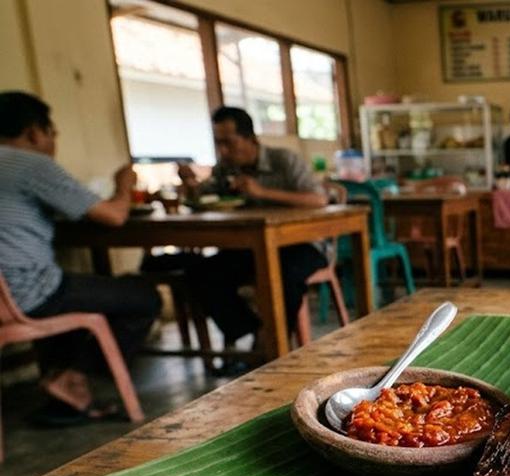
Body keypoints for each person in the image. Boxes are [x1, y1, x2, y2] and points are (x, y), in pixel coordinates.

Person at [0, 91, 162, 424]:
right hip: (25, 293)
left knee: (77, 290)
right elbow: (113, 216)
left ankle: (64, 385)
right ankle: (73, 379)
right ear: (35, 133)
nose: (52, 142)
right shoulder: (30, 164)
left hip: (10, 293)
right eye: (52, 133)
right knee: (144, 295)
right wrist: (124, 184)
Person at [178, 106, 328, 372]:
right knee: (201, 273)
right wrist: (190, 186)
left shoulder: (284, 160)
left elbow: (318, 199)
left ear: (251, 138)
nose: (223, 150)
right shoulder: (226, 168)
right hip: (253, 247)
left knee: (283, 275)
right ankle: (254, 331)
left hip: (302, 245)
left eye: (229, 142)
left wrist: (263, 192)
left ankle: (271, 345)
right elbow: (203, 198)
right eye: (218, 143)